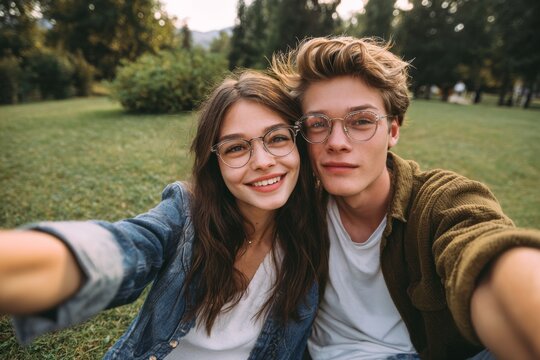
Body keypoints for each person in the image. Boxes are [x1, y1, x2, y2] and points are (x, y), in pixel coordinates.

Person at [0, 70, 328, 359]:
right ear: (215, 164)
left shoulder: (317, 230)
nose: (262, 161)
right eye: (236, 147)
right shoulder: (185, 214)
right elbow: (126, 248)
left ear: (297, 143)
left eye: (277, 138)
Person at [271, 36, 540, 360]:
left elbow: (482, 249)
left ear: (393, 131)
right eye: (318, 123)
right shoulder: (292, 208)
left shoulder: (440, 201)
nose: (337, 141)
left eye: (361, 121)